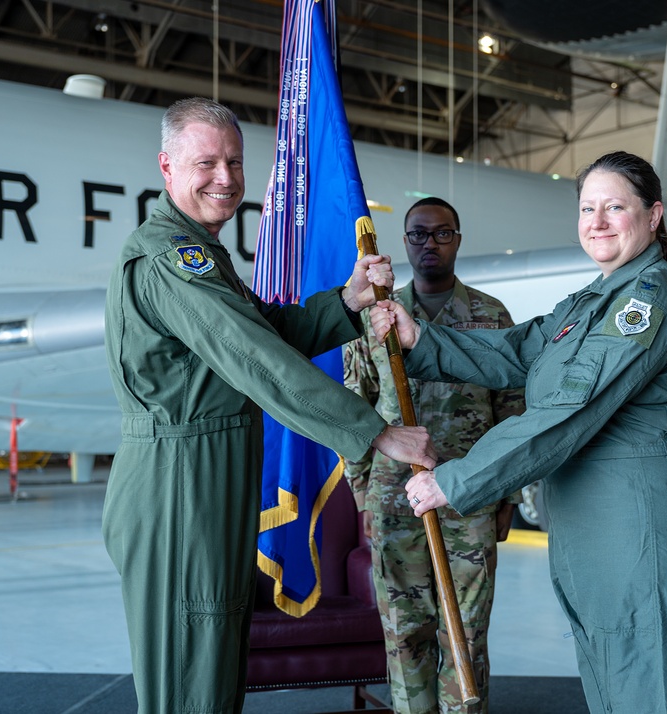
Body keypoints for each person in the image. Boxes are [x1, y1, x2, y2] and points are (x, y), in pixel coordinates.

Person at [102, 97, 436, 714]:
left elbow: (263, 330)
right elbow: (253, 357)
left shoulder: (199, 252)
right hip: (181, 487)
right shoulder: (172, 259)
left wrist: (346, 301)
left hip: (206, 480)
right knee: (191, 676)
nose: (225, 178)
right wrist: (373, 432)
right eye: (206, 163)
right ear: (167, 167)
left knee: (214, 658)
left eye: (234, 161)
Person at [375, 151, 667, 714]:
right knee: (616, 689)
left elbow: (567, 410)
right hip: (597, 526)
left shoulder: (646, 300)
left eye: (615, 206)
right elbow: (520, 349)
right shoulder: (596, 299)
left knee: (643, 693)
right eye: (588, 207)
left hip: (637, 528)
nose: (598, 221)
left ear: (654, 216)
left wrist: (457, 480)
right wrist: (423, 341)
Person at [343, 197, 525, 714]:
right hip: (393, 495)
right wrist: (364, 499)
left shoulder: (491, 316)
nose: (429, 244)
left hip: (470, 495)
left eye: (442, 234)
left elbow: (513, 412)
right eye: (419, 235)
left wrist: (508, 495)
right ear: (404, 243)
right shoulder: (374, 316)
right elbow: (352, 410)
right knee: (405, 632)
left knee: (465, 632)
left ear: (458, 240)